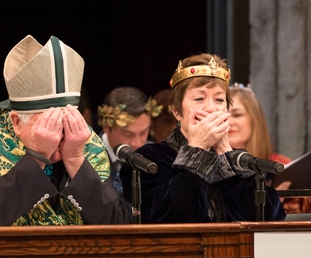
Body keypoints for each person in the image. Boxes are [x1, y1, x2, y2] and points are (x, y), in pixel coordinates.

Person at [0, 35, 131, 227]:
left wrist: (76, 160)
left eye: (63, 124)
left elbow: (118, 223)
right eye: (47, 124)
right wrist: (37, 157)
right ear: (17, 122)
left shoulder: (82, 140)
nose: (57, 136)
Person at [120, 54, 285, 223]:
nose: (211, 108)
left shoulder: (241, 160)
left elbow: (269, 219)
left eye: (219, 100)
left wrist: (226, 153)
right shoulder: (148, 158)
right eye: (199, 98)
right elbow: (170, 217)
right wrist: (198, 149)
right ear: (177, 111)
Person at [229, 83, 310, 214]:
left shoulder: (281, 166)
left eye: (236, 115)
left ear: (255, 120)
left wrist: (277, 205)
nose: (228, 121)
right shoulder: (210, 167)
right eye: (223, 115)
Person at [97, 86, 161, 194]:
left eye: (143, 132)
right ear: (106, 127)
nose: (138, 143)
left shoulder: (158, 156)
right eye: (128, 134)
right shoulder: (86, 158)